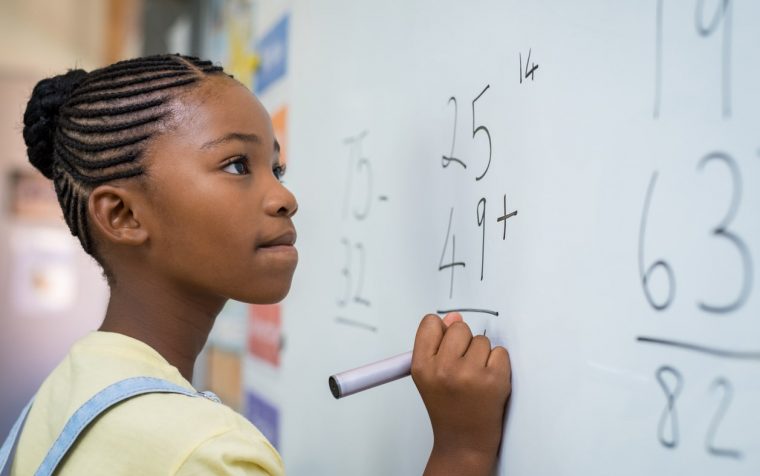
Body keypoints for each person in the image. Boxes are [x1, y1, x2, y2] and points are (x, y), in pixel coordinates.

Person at [1, 54, 511, 475]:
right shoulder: (202, 453)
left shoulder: (64, 394)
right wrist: (462, 449)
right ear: (124, 214)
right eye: (237, 165)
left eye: (277, 167)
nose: (285, 196)